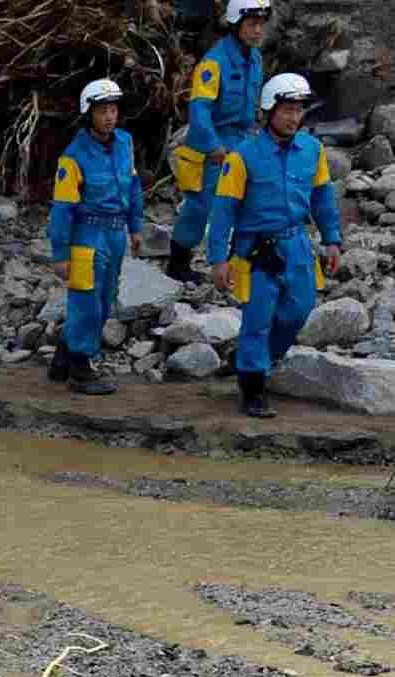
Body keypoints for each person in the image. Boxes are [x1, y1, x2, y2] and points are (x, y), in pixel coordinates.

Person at [206, 72, 341, 420]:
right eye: (287, 110)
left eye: (299, 109)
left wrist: (332, 241)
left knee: (300, 308)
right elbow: (223, 210)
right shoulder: (242, 156)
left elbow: (324, 199)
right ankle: (252, 387)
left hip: (296, 244)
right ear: (269, 111)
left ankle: (253, 359)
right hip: (254, 251)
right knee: (258, 318)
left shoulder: (313, 150)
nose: (294, 117)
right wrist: (219, 259)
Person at [46, 79, 145, 397]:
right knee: (86, 302)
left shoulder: (126, 143)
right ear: (88, 113)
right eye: (102, 110)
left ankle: (64, 357)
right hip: (87, 236)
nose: (109, 116)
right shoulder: (73, 157)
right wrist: (60, 253)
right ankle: (80, 368)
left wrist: (136, 227)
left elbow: (133, 186)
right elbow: (62, 209)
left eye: (113, 110)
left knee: (104, 302)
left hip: (115, 232)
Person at [169, 0, 267, 283]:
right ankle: (178, 265)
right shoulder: (214, 63)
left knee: (250, 202)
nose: (258, 30)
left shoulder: (255, 59)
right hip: (211, 143)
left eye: (261, 24)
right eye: (252, 24)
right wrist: (214, 147)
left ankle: (241, 262)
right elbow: (199, 111)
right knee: (200, 206)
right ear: (236, 24)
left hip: (243, 138)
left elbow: (254, 104)